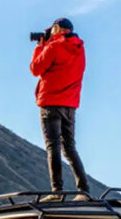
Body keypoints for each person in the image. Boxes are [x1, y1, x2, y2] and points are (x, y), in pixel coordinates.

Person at [29, 17, 91, 201]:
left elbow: (35, 68)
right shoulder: (80, 49)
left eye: (52, 29)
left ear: (57, 28)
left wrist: (40, 46)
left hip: (50, 102)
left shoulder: (53, 47)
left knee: (53, 146)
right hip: (70, 104)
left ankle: (57, 191)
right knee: (70, 147)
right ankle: (84, 190)